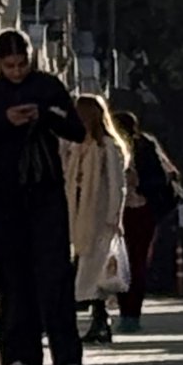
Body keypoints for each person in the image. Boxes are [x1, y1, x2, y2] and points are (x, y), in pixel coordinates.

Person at [0, 30, 86, 365]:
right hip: (6, 194)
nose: (17, 72)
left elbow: (76, 130)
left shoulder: (49, 86)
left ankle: (67, 356)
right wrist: (6, 122)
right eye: (9, 66)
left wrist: (45, 116)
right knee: (12, 275)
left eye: (22, 64)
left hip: (45, 189)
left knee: (54, 273)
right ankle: (18, 356)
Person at [66, 88, 131, 346]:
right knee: (86, 269)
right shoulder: (77, 145)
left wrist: (115, 216)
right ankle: (98, 320)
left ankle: (100, 320)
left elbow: (117, 184)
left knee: (96, 271)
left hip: (100, 215)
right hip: (79, 213)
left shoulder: (108, 148)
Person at [112, 106, 183, 324]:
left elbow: (159, 178)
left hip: (136, 208)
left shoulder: (143, 147)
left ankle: (130, 311)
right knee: (126, 261)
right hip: (124, 210)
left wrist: (139, 184)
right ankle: (127, 310)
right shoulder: (114, 147)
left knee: (133, 261)